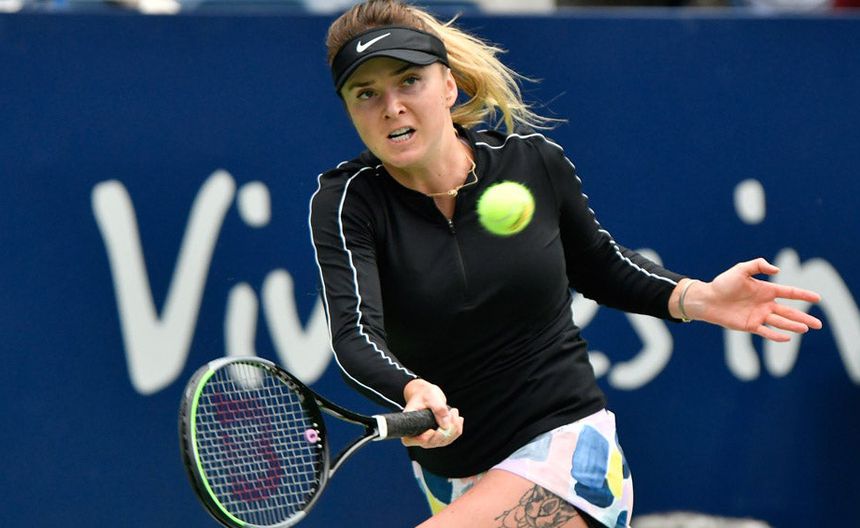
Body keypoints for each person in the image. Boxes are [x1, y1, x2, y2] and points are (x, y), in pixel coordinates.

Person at [308, 1, 823, 526]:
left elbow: (599, 264)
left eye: (409, 81)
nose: (391, 106)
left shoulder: (532, 162)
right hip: (451, 474)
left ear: (448, 86)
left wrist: (699, 296)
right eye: (366, 93)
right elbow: (355, 335)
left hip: (568, 450)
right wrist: (409, 389)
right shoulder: (347, 203)